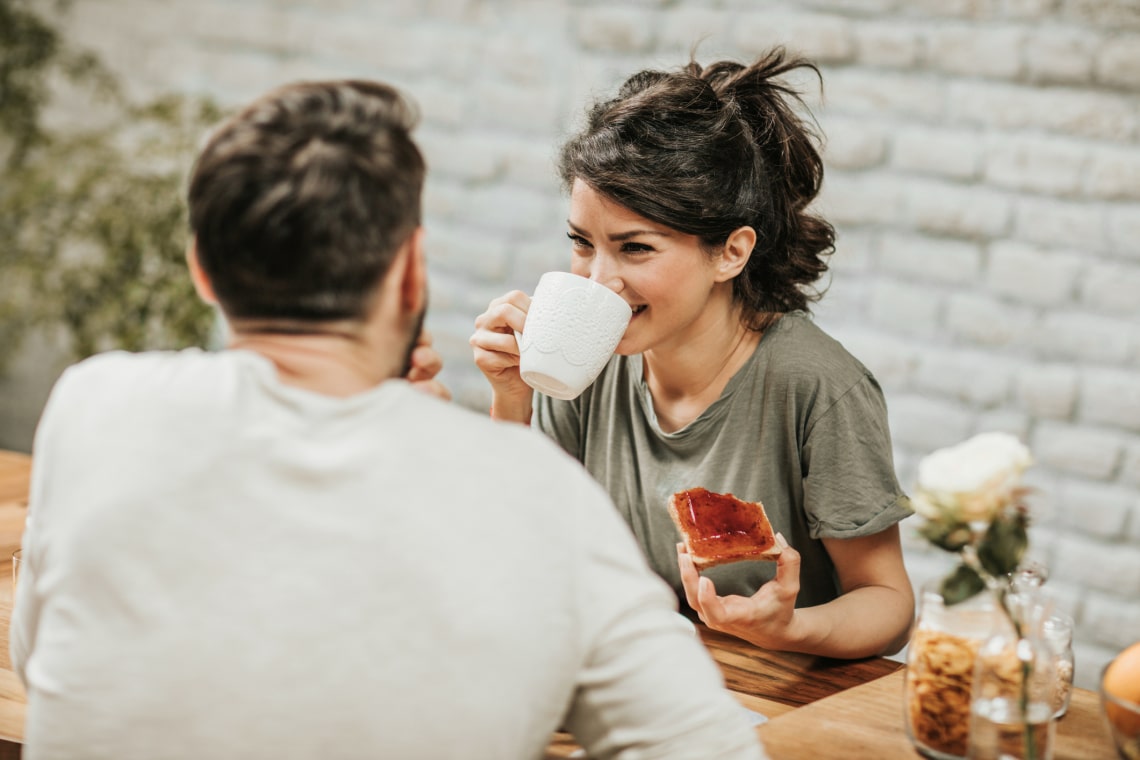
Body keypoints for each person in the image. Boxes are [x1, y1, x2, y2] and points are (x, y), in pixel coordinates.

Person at [11, 80, 766, 760]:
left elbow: (38, 658)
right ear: (411, 270)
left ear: (201, 268)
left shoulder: (93, 406)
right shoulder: (540, 497)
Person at [471, 49, 915, 660]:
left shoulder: (817, 385)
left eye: (635, 248)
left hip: (787, 696)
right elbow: (519, 544)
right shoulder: (584, 363)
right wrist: (512, 400)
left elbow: (887, 602)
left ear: (730, 253)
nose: (598, 279)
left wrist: (790, 629)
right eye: (582, 243)